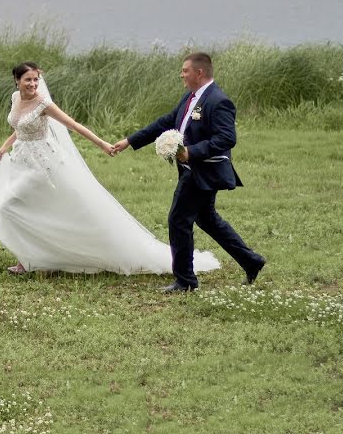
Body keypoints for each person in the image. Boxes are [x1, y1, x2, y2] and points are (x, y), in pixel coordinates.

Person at [0, 62, 220, 276]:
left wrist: (103, 144)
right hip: (22, 159)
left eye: (35, 79)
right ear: (17, 81)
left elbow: (74, 126)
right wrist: (3, 148)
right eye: (27, 80)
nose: (32, 84)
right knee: (31, 207)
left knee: (8, 205)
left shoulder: (44, 103)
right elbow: (20, 127)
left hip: (43, 165)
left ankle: (35, 256)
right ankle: (33, 257)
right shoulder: (15, 98)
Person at [112, 52, 265, 292]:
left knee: (178, 220)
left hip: (204, 171)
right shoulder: (190, 97)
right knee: (207, 219)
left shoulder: (218, 101)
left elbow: (226, 138)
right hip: (190, 171)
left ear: (199, 73)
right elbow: (167, 122)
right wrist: (130, 141)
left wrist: (191, 152)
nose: (181, 74)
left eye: (185, 71)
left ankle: (185, 281)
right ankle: (251, 261)